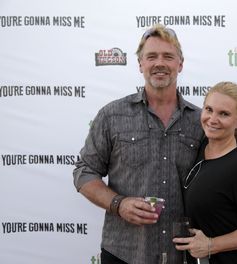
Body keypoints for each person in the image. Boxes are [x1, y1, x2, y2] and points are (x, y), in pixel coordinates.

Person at [73, 24, 204, 264]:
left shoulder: (201, 121)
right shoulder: (112, 115)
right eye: (151, 56)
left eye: (168, 56)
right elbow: (84, 172)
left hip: (182, 254)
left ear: (180, 64)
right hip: (124, 252)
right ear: (140, 64)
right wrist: (118, 204)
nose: (159, 63)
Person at [173, 81, 237, 264]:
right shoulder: (200, 148)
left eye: (224, 114)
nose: (212, 119)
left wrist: (211, 245)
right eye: (209, 109)